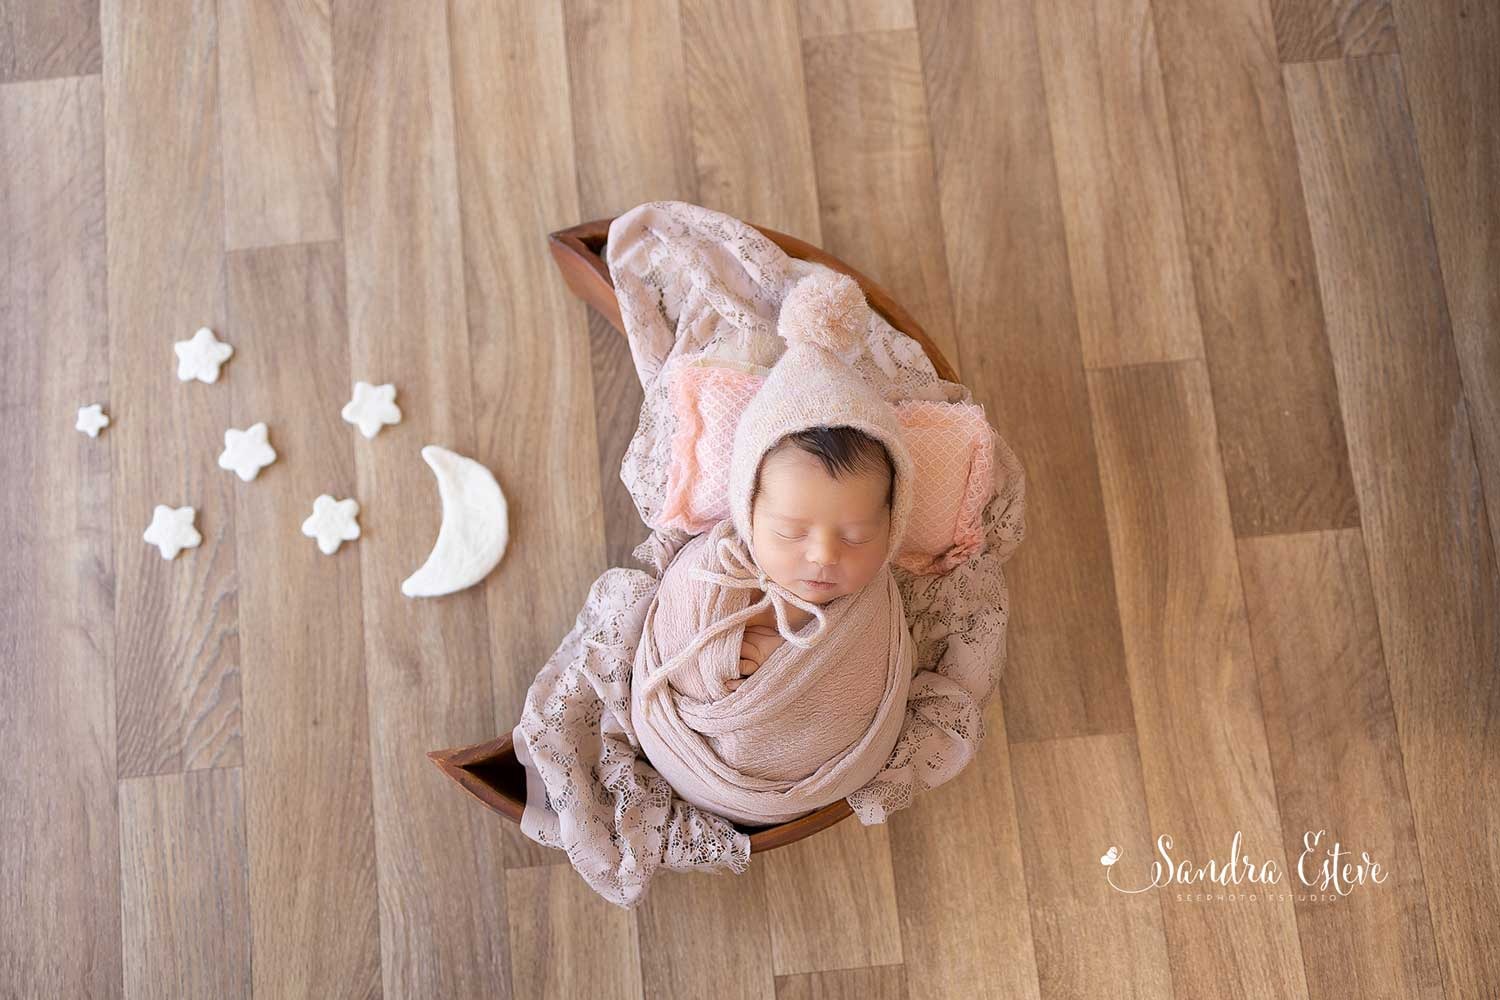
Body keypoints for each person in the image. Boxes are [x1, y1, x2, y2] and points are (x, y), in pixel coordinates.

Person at [628, 269, 918, 827]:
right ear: (748, 511)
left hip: (814, 776)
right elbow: (673, 635)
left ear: (892, 524)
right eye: (790, 532)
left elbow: (864, 696)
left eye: (857, 536)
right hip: (688, 752)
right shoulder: (713, 567)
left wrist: (785, 668)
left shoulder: (873, 612)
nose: (824, 556)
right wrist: (716, 663)